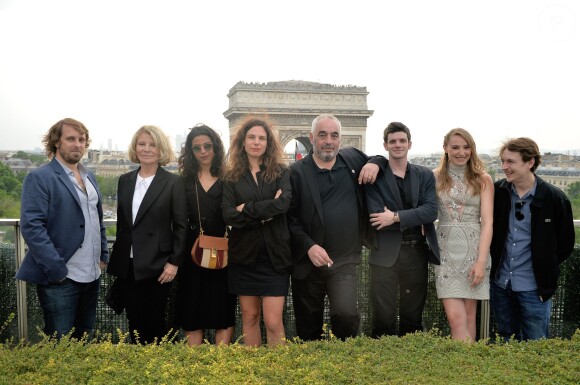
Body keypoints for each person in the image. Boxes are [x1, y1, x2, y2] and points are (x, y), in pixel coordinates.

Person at [288, 113, 381, 341]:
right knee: (308, 329)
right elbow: (289, 218)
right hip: (307, 264)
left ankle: (345, 371)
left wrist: (374, 164)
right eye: (322, 135)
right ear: (312, 138)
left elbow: (380, 158)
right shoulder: (295, 172)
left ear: (341, 139)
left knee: (347, 316)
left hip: (345, 261)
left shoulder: (353, 159)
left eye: (334, 135)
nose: (328, 140)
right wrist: (309, 246)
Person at [16, 118, 108, 339]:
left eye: (82, 140)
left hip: (91, 274)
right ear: (57, 142)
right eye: (71, 139)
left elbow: (98, 219)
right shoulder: (40, 177)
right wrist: (57, 269)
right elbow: (32, 226)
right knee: (60, 345)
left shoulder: (89, 176)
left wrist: (103, 255)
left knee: (84, 339)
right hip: (62, 277)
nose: (77, 144)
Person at [107, 125, 188, 344]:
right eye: (142, 144)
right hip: (129, 263)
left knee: (156, 322)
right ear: (135, 147)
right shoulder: (125, 180)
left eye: (152, 144)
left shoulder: (174, 182)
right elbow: (124, 224)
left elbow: (181, 227)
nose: (146, 149)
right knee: (135, 323)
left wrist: (174, 263)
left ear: (161, 149)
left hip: (159, 265)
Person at [490, 137, 575, 341]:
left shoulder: (555, 199)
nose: (504, 167)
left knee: (536, 345)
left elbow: (565, 244)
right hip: (501, 284)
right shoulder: (497, 192)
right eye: (503, 161)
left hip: (535, 289)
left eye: (510, 162)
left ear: (530, 162)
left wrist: (544, 271)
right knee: (505, 340)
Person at [364, 121, 439, 338]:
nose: (398, 145)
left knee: (413, 318)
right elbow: (377, 216)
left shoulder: (424, 174)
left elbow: (431, 212)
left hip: (416, 253)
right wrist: (412, 215)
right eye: (393, 141)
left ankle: (409, 367)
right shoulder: (374, 175)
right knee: (382, 319)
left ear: (410, 144)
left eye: (402, 141)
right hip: (384, 254)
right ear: (385, 146)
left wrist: (395, 216)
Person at [221, 117, 292, 347]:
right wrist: (266, 211)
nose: (256, 142)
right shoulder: (231, 177)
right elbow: (229, 215)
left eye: (261, 138)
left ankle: (278, 375)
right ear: (242, 142)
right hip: (244, 257)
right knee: (250, 317)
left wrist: (248, 209)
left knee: (273, 321)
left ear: (268, 143)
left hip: (274, 257)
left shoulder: (281, 171)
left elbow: (284, 205)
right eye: (251, 137)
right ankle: (254, 374)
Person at [175, 124, 236, 346]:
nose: (203, 151)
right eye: (197, 148)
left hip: (223, 252)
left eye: (207, 146)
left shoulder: (230, 179)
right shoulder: (183, 182)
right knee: (192, 312)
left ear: (216, 147)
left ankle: (220, 370)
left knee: (223, 311)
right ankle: (195, 369)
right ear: (190, 152)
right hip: (192, 254)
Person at [433, 128, 493, 342]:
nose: (461, 152)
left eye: (466, 147)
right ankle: (467, 370)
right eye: (456, 147)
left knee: (469, 317)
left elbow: (487, 222)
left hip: (475, 253)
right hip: (445, 253)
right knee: (455, 317)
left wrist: (481, 261)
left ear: (472, 149)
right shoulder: (434, 177)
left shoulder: (483, 179)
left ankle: (467, 370)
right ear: (446, 149)